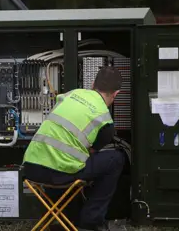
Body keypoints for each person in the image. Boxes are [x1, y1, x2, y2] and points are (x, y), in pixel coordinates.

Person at [23, 66, 126, 231]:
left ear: (92, 84)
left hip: (31, 168)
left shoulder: (70, 95)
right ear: (116, 94)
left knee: (61, 158)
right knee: (116, 159)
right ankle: (91, 221)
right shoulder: (106, 122)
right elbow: (90, 153)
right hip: (60, 174)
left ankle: (58, 219)